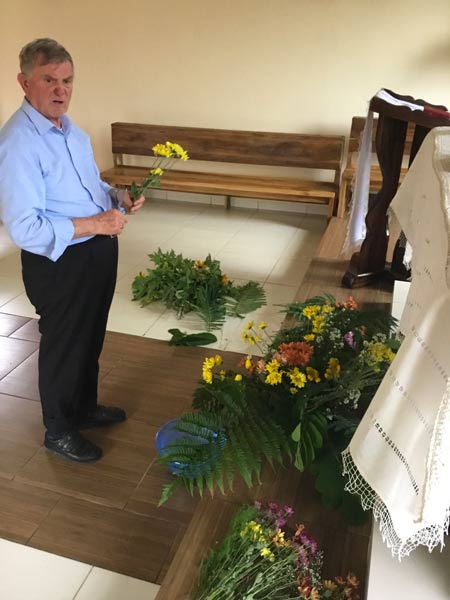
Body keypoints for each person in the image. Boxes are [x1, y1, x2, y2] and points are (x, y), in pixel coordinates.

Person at [0, 38, 145, 463]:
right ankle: (59, 430)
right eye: (49, 80)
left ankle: (83, 407)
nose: (61, 90)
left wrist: (115, 196)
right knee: (65, 344)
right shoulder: (18, 143)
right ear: (24, 82)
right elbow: (25, 228)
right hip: (59, 262)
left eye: (67, 80)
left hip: (95, 252)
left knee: (90, 335)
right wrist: (97, 224)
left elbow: (88, 186)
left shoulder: (70, 132)